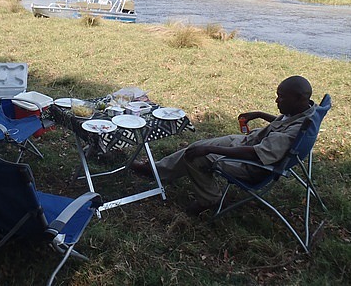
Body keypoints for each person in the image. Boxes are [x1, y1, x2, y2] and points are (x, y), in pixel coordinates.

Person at [131, 75, 317, 215]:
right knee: (196, 146)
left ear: (300, 98)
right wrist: (261, 114)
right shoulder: (307, 111)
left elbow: (256, 154)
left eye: (281, 98)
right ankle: (157, 170)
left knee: (197, 156)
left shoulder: (294, 131)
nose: (277, 101)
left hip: (253, 165)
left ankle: (209, 199)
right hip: (250, 141)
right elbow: (284, 122)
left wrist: (211, 150)